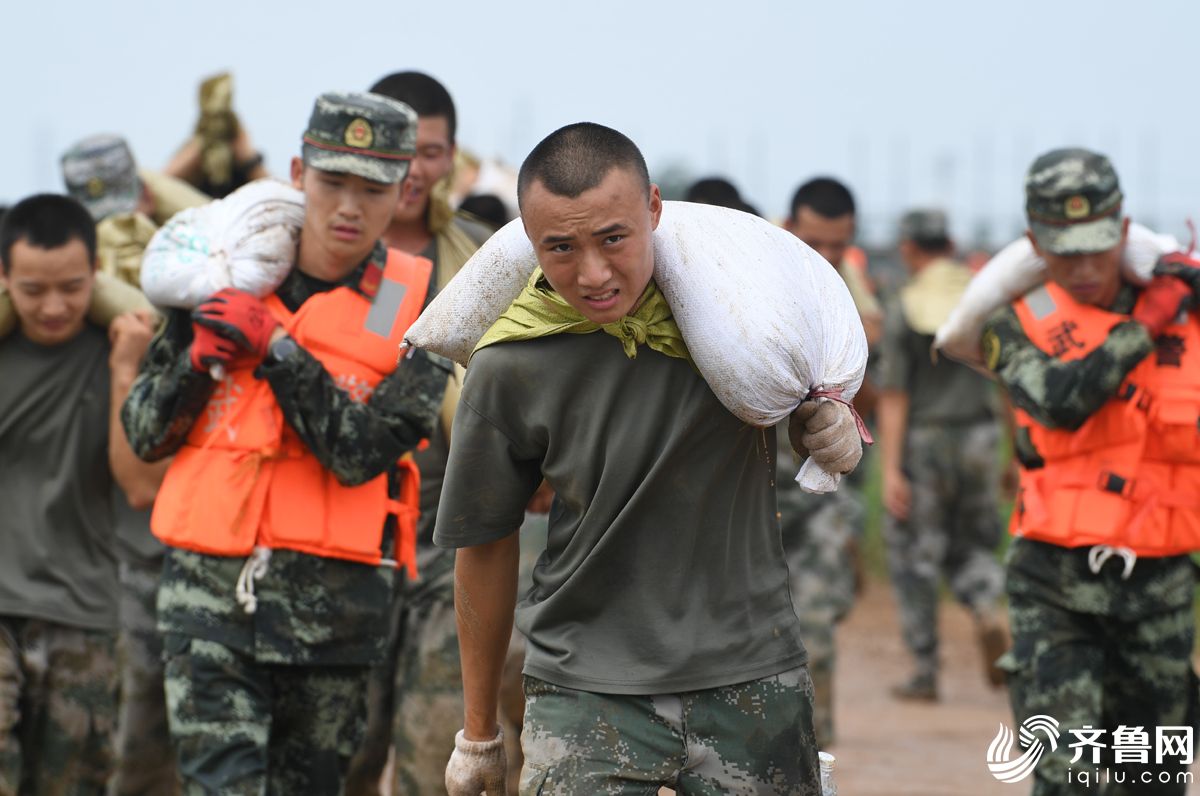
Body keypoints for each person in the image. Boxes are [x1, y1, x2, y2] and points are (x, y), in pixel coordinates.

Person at [436, 121, 864, 794]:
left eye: (614, 238)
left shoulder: (737, 335)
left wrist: (831, 421)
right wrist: (479, 734)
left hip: (749, 679)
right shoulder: (509, 364)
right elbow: (485, 545)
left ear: (654, 210)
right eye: (560, 248)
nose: (594, 273)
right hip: (583, 692)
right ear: (530, 239)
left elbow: (808, 393)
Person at [121, 90, 451, 795]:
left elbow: (363, 452)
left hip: (333, 623)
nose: (349, 208)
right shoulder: (222, 271)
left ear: (405, 192)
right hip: (207, 606)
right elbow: (146, 432)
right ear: (299, 174)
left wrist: (275, 349)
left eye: (373, 189)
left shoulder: (405, 302)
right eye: (332, 182)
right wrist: (196, 362)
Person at [982, 148, 1199, 794]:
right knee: (1067, 777)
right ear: (1034, 242)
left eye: (1098, 247)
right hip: (1056, 587)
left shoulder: (1189, 312)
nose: (1083, 267)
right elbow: (1060, 401)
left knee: (1152, 780)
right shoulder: (1013, 323)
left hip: (1161, 590)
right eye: (1063, 250)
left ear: (1124, 231)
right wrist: (1145, 324)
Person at [343, 70, 501, 796]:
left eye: (431, 153)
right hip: (346, 540)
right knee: (339, 754)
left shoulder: (484, 257)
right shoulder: (333, 256)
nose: (414, 171)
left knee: (440, 750)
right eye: (398, 153)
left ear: (452, 157)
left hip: (455, 535)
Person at [0, 193, 164, 795]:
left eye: (71, 287)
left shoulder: (121, 347)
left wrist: (125, 369)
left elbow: (141, 485)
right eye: (32, 290)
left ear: (96, 273)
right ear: (4, 277)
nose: (52, 307)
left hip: (84, 616)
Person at [60, 132, 203, 796]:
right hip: (119, 563)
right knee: (130, 754)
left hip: (188, 553)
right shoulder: (75, 302)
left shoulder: (186, 276)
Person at [877, 208, 1007, 701]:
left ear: (909, 248)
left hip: (925, 440)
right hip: (980, 436)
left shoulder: (905, 305)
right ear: (949, 244)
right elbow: (1008, 383)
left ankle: (925, 669)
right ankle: (987, 606)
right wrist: (1014, 457)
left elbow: (895, 394)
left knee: (917, 554)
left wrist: (890, 470)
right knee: (974, 542)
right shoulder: (983, 300)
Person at [777, 175, 878, 747]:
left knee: (815, 617)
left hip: (817, 492)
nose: (829, 257)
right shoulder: (759, 283)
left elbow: (876, 353)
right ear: (790, 229)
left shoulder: (850, 288)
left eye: (840, 246)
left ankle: (816, 752)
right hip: (750, 496)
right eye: (816, 244)